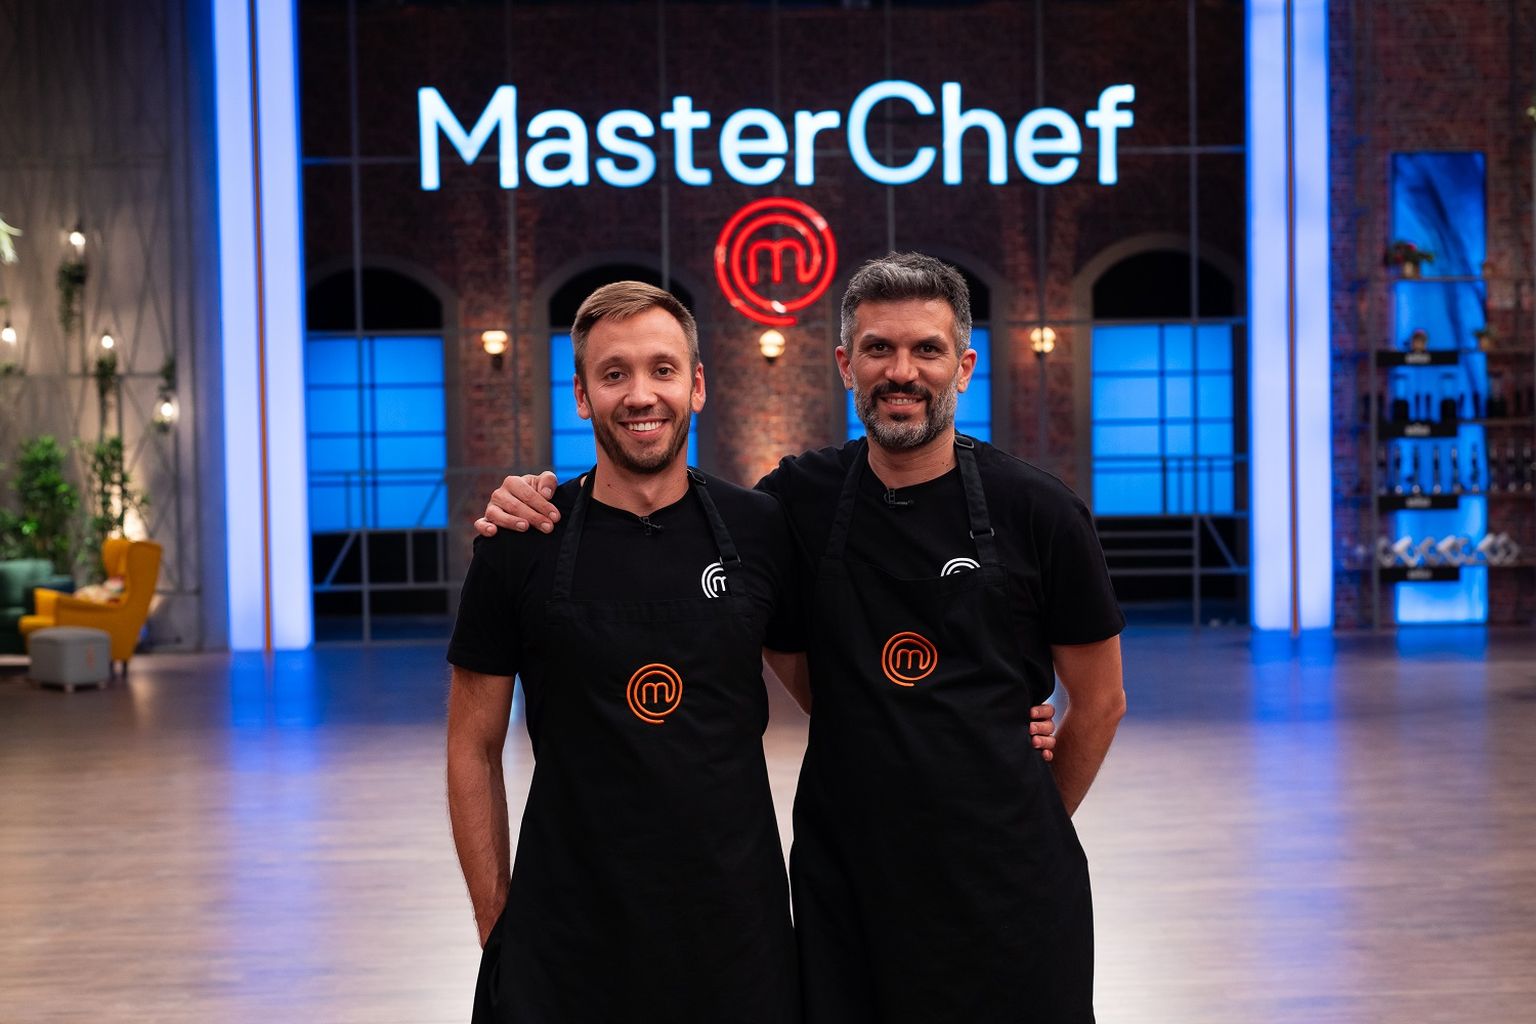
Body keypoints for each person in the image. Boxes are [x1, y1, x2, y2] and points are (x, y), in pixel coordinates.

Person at [477, 255, 1110, 1022]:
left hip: (1011, 888)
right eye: (878, 349)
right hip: (848, 883)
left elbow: (1101, 701)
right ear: (846, 365)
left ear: (965, 367)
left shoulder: (1041, 511)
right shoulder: (791, 505)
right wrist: (531, 494)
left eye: (927, 350)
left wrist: (1027, 817)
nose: (901, 372)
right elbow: (811, 673)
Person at [446, 281, 806, 1023]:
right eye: (614, 374)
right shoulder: (521, 541)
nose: (641, 395)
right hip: (567, 934)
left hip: (736, 932)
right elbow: (471, 748)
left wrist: (991, 711)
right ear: (582, 395)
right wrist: (498, 927)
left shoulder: (759, 528)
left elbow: (842, 699)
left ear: (696, 385)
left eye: (662, 369)